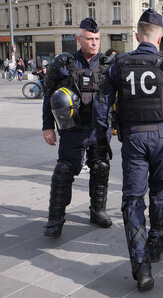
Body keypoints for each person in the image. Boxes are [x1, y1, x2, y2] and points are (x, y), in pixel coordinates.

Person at [93, 9, 163, 291]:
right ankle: (156, 240)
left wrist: (102, 141)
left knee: (132, 200)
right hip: (162, 139)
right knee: (161, 193)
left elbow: (101, 107)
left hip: (132, 140)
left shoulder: (120, 63)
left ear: (136, 35)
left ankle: (141, 265)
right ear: (160, 36)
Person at [42, 18, 112, 239]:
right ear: (79, 39)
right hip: (72, 129)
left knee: (100, 168)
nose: (94, 43)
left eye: (97, 39)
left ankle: (98, 211)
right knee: (64, 171)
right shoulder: (63, 64)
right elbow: (49, 95)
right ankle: (55, 219)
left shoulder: (108, 64)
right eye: (90, 39)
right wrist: (47, 127)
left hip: (99, 129)